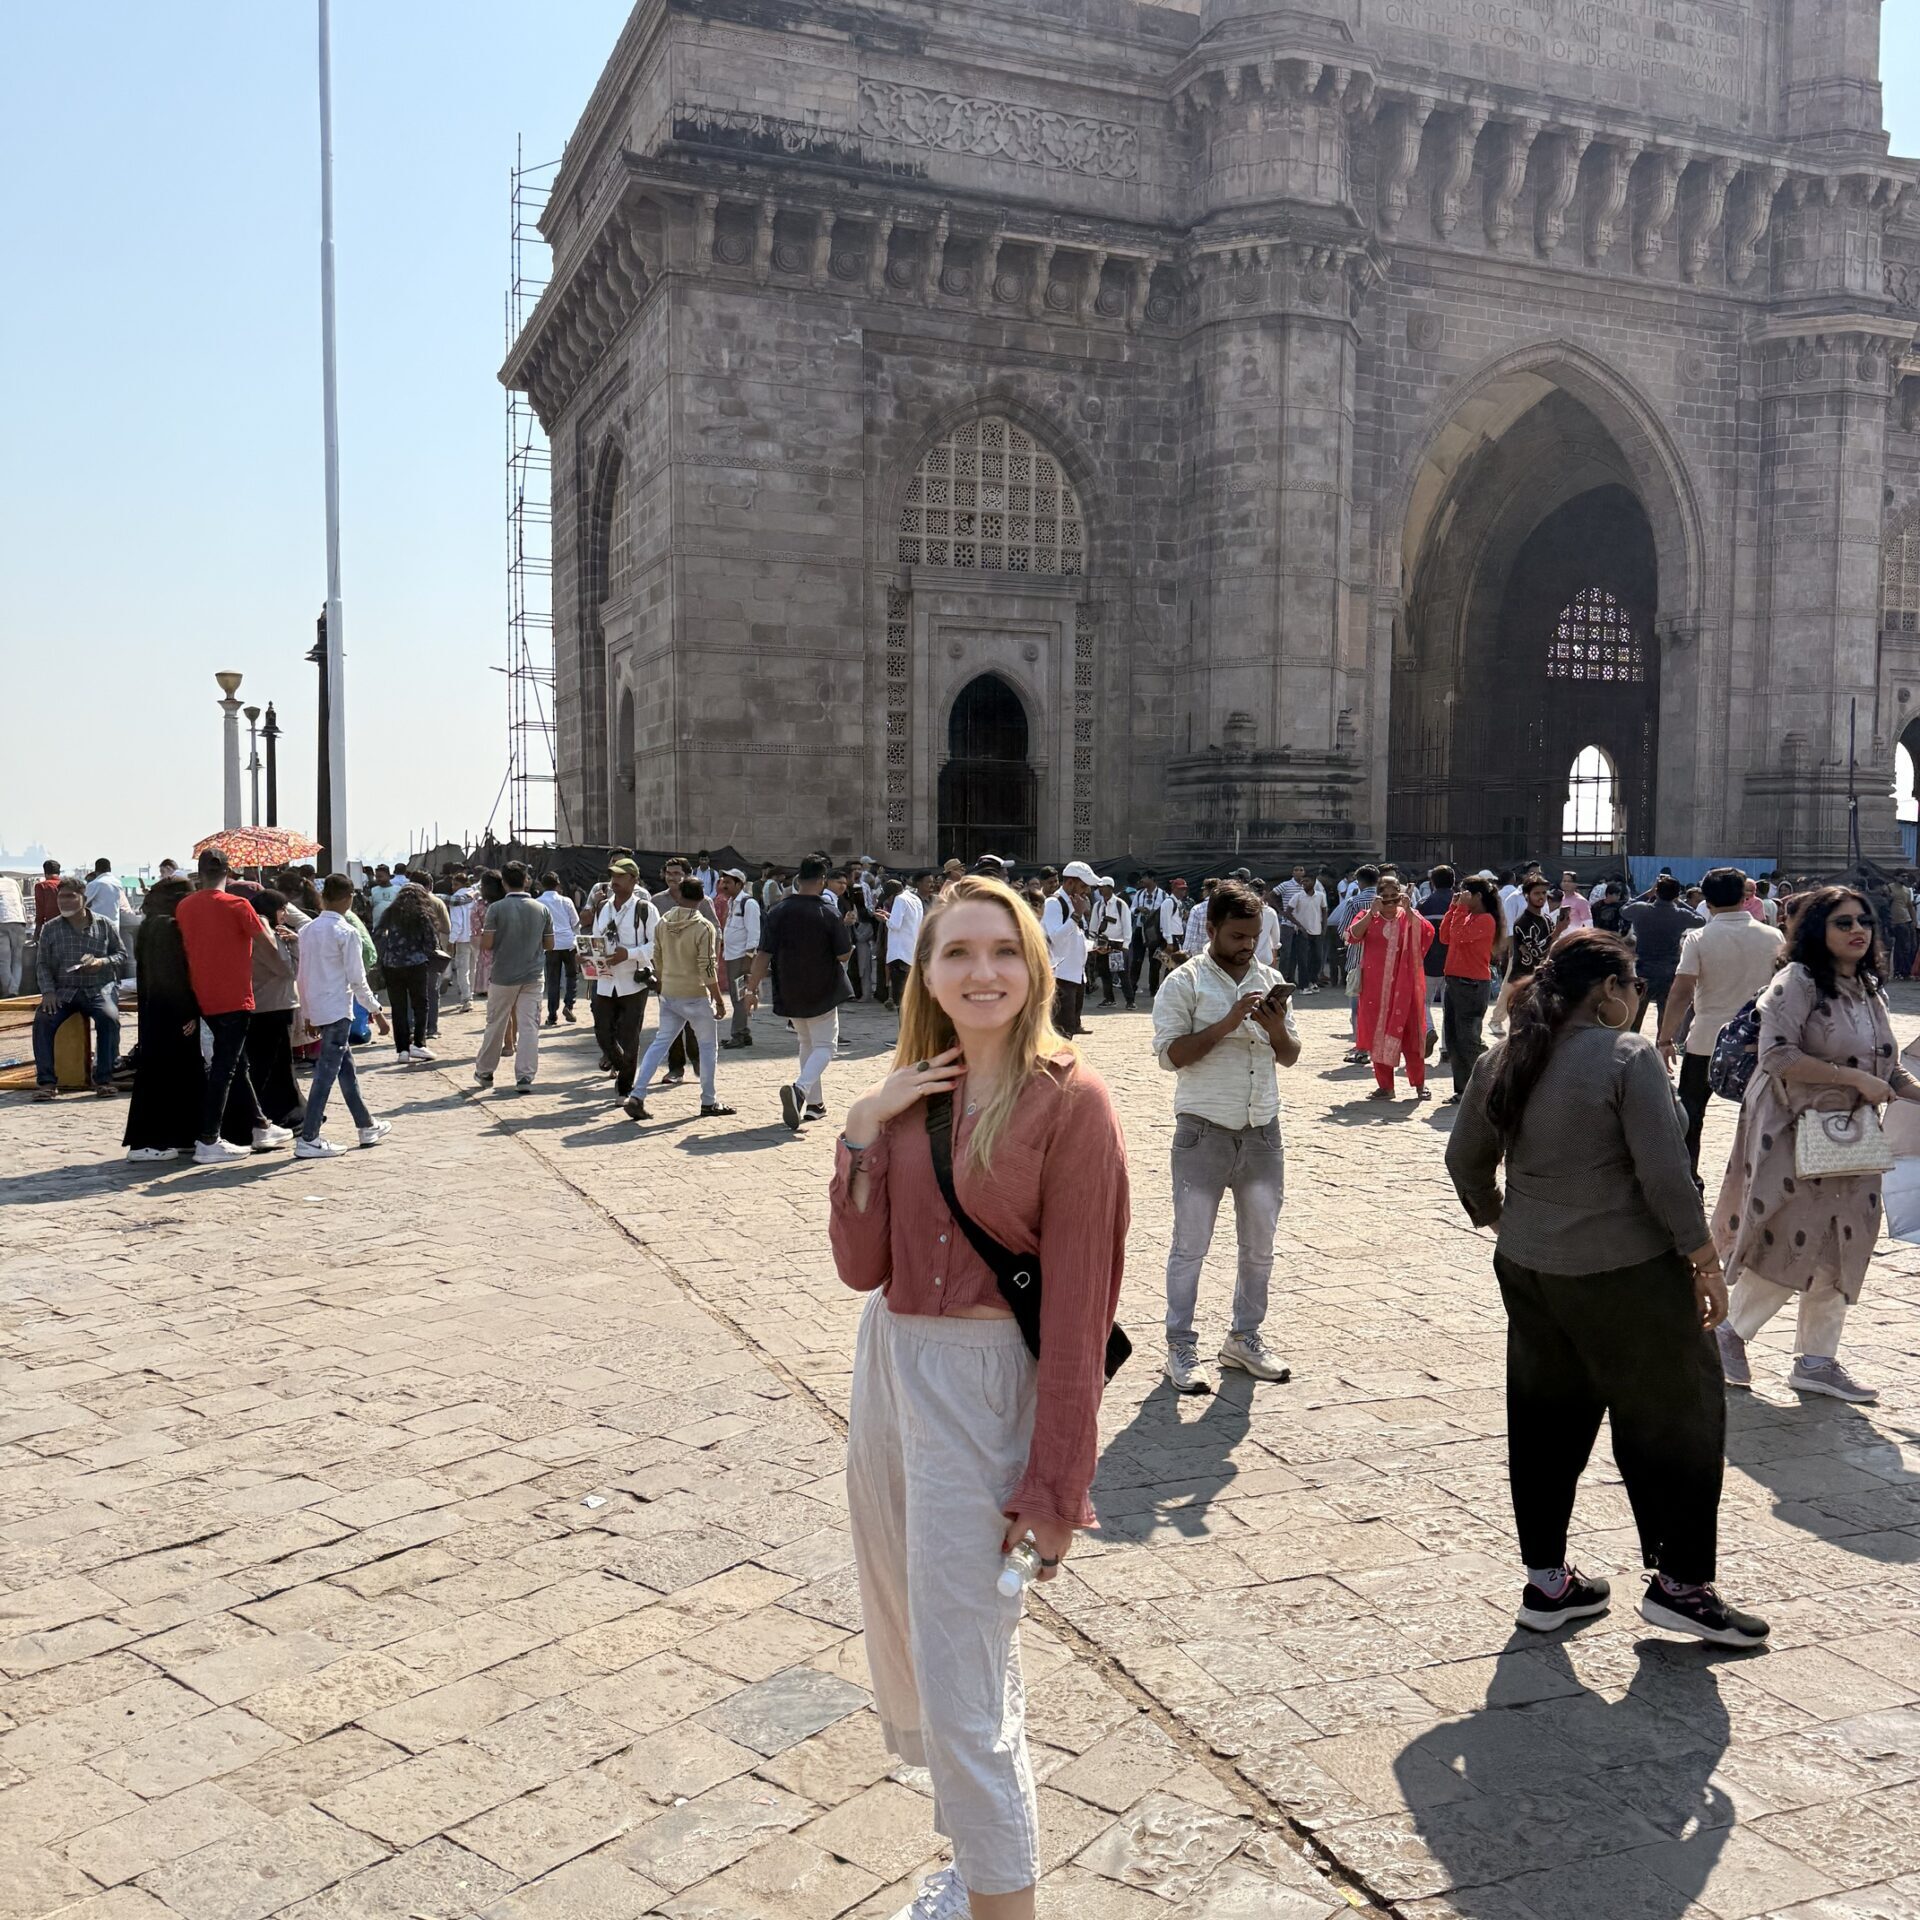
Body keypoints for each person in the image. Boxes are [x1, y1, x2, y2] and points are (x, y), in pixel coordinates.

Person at [829, 875, 1128, 1920]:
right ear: (927, 971)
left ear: (1036, 965)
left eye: (1003, 951)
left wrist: (1055, 1488)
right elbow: (861, 1266)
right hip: (892, 1375)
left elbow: (1081, 1313)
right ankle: (972, 1866)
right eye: (958, 953)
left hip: (987, 1384)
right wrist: (866, 1127)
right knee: (920, 1637)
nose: (982, 972)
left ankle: (1005, 1903)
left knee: (963, 1678)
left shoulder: (1073, 1103)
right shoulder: (915, 1092)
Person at [1445, 930, 1766, 1648]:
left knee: (1545, 1418)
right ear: (1610, 992)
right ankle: (1681, 1585)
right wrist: (1705, 1261)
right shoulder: (1627, 1056)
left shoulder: (1504, 1056)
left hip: (1530, 1268)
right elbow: (1664, 1174)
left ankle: (1548, 1582)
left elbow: (1464, 1159)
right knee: (1677, 1418)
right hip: (1626, 1273)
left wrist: (1506, 1218)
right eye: (1634, 988)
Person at [1713, 886, 1920, 1406]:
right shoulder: (1796, 983)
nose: (1857, 931)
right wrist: (1853, 1082)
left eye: (1864, 922)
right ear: (1817, 931)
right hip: (1792, 1130)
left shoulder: (1869, 989)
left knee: (1847, 1239)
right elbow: (1777, 1055)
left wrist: (1906, 1089)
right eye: (1843, 922)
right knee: (1793, 1233)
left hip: (1850, 1137)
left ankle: (1817, 1361)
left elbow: (1884, 1067)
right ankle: (1728, 1332)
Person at [1151, 878, 1299, 1394]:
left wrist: (1274, 1026)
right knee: (1190, 1246)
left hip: (1262, 1131)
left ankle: (1244, 1337)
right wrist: (1229, 1021)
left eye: (1253, 935)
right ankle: (1179, 1344)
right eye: (1236, 935)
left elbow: (1290, 1054)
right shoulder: (1185, 983)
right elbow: (1171, 1056)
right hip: (1203, 1132)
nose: (1246, 945)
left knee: (1259, 1247)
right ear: (1211, 929)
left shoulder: (1270, 978)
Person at [1655, 867, 1784, 1177]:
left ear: (1706, 901)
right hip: (1759, 1043)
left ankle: (1688, 1179)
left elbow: (1682, 992)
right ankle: (1759, 1177)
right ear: (1744, 897)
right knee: (1764, 1116)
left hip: (1706, 1042)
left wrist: (1665, 1038)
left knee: (1691, 1114)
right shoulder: (1773, 936)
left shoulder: (1699, 938)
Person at [176, 849, 290, 1162]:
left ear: (199, 872)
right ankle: (209, 1138)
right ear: (230, 871)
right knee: (226, 1068)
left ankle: (259, 1125)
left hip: (203, 995)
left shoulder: (185, 907)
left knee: (236, 1063)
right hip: (235, 996)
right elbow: (268, 947)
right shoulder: (238, 905)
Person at [744, 855, 853, 1130]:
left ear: (797, 879)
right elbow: (842, 955)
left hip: (789, 988)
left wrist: (751, 988)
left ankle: (814, 1105)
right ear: (821, 881)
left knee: (807, 1043)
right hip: (822, 988)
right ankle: (800, 1090)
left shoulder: (778, 911)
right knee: (826, 1046)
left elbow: (763, 953)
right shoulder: (828, 912)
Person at [294, 874, 393, 1158]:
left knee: (345, 1070)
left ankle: (366, 1125)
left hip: (321, 1010)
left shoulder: (307, 931)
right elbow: (357, 980)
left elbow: (303, 977)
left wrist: (308, 1013)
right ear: (349, 898)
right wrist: (377, 1012)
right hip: (338, 1009)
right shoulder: (346, 933)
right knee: (325, 1075)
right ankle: (309, 1137)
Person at [624, 878, 735, 1122]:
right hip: (694, 994)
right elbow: (707, 967)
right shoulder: (704, 927)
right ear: (701, 897)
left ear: (680, 895)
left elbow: (658, 957)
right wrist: (718, 999)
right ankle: (708, 1100)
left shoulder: (664, 922)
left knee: (660, 1043)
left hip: (669, 992)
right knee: (707, 1048)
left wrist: (663, 984)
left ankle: (637, 1093)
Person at [122, 877, 202, 1160]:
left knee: (171, 1074)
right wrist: (189, 1011)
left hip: (156, 1012)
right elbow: (173, 978)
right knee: (165, 1076)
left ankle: (178, 1134)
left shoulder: (151, 925)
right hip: (172, 1013)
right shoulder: (168, 928)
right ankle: (150, 1141)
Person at [32, 874, 127, 1103]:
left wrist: (100, 963)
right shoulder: (50, 929)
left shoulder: (104, 925)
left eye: (70, 897)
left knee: (109, 1018)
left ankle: (103, 1080)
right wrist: (48, 992)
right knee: (43, 1020)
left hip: (97, 989)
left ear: (83, 898)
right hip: (63, 992)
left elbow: (121, 955)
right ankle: (47, 1082)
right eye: (61, 897)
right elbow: (42, 964)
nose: (63, 901)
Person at [223, 888, 306, 1138]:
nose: (285, 914)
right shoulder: (266, 932)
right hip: (275, 1005)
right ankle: (271, 1115)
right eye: (282, 909)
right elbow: (287, 969)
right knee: (272, 1065)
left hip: (260, 1003)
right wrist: (294, 945)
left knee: (268, 1063)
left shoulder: (249, 930)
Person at [1346, 872, 1435, 1100]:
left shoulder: (1409, 916)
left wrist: (1411, 911)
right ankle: (1386, 1086)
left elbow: (1427, 934)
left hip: (1406, 988)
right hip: (1375, 990)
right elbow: (1352, 936)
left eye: (1394, 897)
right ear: (1377, 897)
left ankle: (1419, 1084)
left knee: (1413, 1037)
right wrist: (1370, 914)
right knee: (1378, 1035)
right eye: (1384, 897)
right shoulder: (1368, 916)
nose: (1390, 902)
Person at [474, 860, 551, 1092]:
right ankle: (525, 1077)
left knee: (496, 1023)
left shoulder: (496, 909)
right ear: (526, 880)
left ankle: (485, 1072)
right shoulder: (541, 908)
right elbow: (550, 942)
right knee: (529, 1026)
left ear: (504, 883)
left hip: (503, 975)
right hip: (533, 975)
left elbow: (487, 943)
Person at [588, 858, 656, 1101]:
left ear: (633, 880)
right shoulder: (604, 907)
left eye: (620, 876)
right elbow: (596, 939)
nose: (614, 881)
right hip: (605, 980)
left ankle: (625, 1088)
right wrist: (585, 955)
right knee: (602, 1032)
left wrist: (630, 954)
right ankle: (620, 1064)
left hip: (633, 981)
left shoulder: (645, 909)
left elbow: (656, 945)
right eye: (612, 876)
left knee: (630, 1036)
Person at [652, 857, 718, 1086]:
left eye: (677, 873)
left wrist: (708, 965)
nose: (672, 877)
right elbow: (653, 940)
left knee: (694, 1025)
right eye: (669, 873)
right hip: (669, 975)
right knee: (670, 1029)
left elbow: (715, 931)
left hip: (696, 977)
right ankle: (675, 1068)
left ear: (688, 876)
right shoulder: (657, 901)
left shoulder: (703, 902)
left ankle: (699, 1061)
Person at [1438, 876, 1502, 1105]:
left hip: (1472, 984)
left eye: (1467, 893)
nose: (1462, 896)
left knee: (1469, 1039)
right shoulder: (1465, 915)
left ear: (1478, 897)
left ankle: (1486, 1085)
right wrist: (1453, 908)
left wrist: (1460, 909)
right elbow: (1445, 936)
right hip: (1454, 981)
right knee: (1454, 1038)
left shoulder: (1485, 920)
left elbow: (1458, 935)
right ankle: (1463, 1090)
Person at [1623, 874, 1701, 1036]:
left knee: (1636, 1015)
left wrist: (1648, 893)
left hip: (1643, 969)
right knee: (1665, 1017)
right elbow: (1700, 920)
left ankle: (1631, 1047)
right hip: (1670, 970)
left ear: (1657, 891)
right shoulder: (1680, 914)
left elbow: (1624, 910)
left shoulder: (1641, 909)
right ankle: (1662, 1048)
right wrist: (1679, 901)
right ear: (1676, 894)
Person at [374, 884, 440, 1067]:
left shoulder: (389, 913)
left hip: (391, 965)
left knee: (398, 1008)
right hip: (416, 964)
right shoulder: (422, 915)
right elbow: (431, 944)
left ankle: (402, 1049)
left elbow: (378, 934)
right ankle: (419, 1043)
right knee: (420, 1005)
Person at [1492, 875, 1554, 1032]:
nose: (1542, 897)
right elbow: (1510, 925)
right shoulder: (1516, 904)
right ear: (1527, 894)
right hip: (1523, 961)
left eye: (1544, 893)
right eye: (1537, 893)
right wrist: (1510, 948)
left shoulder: (1546, 917)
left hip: (1540, 970)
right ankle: (1497, 1019)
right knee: (1511, 988)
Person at [1042, 861, 1095, 1036]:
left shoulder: (1074, 903)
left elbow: (1074, 938)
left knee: (1069, 1030)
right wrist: (1076, 916)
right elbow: (1055, 937)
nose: (1086, 890)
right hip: (1061, 976)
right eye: (1083, 885)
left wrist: (1093, 947)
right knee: (1060, 1033)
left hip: (1076, 976)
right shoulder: (1054, 903)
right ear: (1070, 882)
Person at [715, 869, 762, 1047]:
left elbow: (754, 936)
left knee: (740, 998)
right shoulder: (732, 902)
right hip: (732, 955)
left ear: (739, 884)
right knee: (737, 996)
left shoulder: (748, 904)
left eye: (728, 882)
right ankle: (743, 1032)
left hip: (742, 958)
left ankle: (739, 1034)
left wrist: (748, 962)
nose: (724, 885)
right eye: (723, 881)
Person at [537, 872, 581, 1025]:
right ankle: (569, 1004)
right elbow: (575, 921)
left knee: (553, 979)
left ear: (542, 885)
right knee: (572, 975)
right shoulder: (566, 901)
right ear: (558, 884)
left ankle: (552, 1015)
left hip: (550, 944)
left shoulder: (538, 902)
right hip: (568, 943)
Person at [886, 871, 933, 1010]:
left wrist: (886, 919)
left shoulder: (900, 899)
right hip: (911, 951)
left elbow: (895, 924)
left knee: (900, 1000)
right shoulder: (914, 899)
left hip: (899, 953)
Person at [1090, 877, 1134, 1009]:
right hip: (1102, 944)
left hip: (1117, 945)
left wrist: (1125, 945)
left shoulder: (1120, 905)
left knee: (1122, 974)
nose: (1100, 889)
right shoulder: (1098, 906)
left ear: (1110, 888)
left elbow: (1127, 925)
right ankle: (1109, 999)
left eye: (1103, 887)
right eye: (1099, 887)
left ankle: (1130, 1001)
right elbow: (1093, 926)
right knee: (1105, 973)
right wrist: (1094, 944)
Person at [445, 871, 477, 1012]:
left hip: (462, 938)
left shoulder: (456, 899)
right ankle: (471, 995)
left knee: (462, 970)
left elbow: (457, 923)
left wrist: (451, 940)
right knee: (473, 968)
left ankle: (466, 998)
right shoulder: (476, 895)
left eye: (455, 884)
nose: (453, 887)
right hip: (476, 937)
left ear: (462, 884)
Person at [0, 869, 26, 997]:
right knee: (17, 959)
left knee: (4, 961)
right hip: (18, 920)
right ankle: (14, 989)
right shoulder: (12, 882)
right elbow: (21, 902)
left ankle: (9, 991)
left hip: (1, 922)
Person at [33, 859, 63, 931]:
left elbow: (40, 909)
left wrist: (38, 930)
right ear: (58, 872)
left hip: (52, 925)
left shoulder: (41, 886)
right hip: (69, 925)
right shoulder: (67, 884)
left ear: (45, 873)